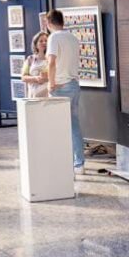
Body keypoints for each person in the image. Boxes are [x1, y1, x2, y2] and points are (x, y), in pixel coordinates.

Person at [45, 9, 85, 174]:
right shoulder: (73, 38)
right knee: (74, 125)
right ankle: (79, 163)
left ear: (48, 23)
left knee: (59, 126)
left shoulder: (54, 37)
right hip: (74, 84)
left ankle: (66, 162)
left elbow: (52, 62)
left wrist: (50, 83)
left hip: (60, 87)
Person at [21, 32, 50, 98]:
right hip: (33, 95)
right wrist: (36, 78)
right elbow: (23, 77)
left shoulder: (52, 59)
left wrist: (46, 78)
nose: (44, 43)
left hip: (47, 96)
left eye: (46, 41)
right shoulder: (30, 59)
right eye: (41, 41)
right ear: (36, 44)